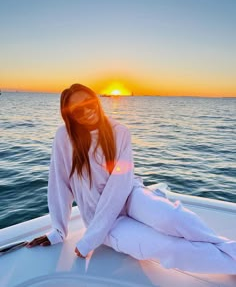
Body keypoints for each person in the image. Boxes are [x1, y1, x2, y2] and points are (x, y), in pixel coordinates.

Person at [26, 83, 236, 274]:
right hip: (101, 217)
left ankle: (229, 249)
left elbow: (119, 185)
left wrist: (90, 239)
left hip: (130, 195)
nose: (88, 111)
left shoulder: (119, 132)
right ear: (69, 115)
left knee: (174, 218)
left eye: (90, 103)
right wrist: (59, 231)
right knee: (166, 247)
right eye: (78, 110)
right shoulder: (64, 137)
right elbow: (59, 185)